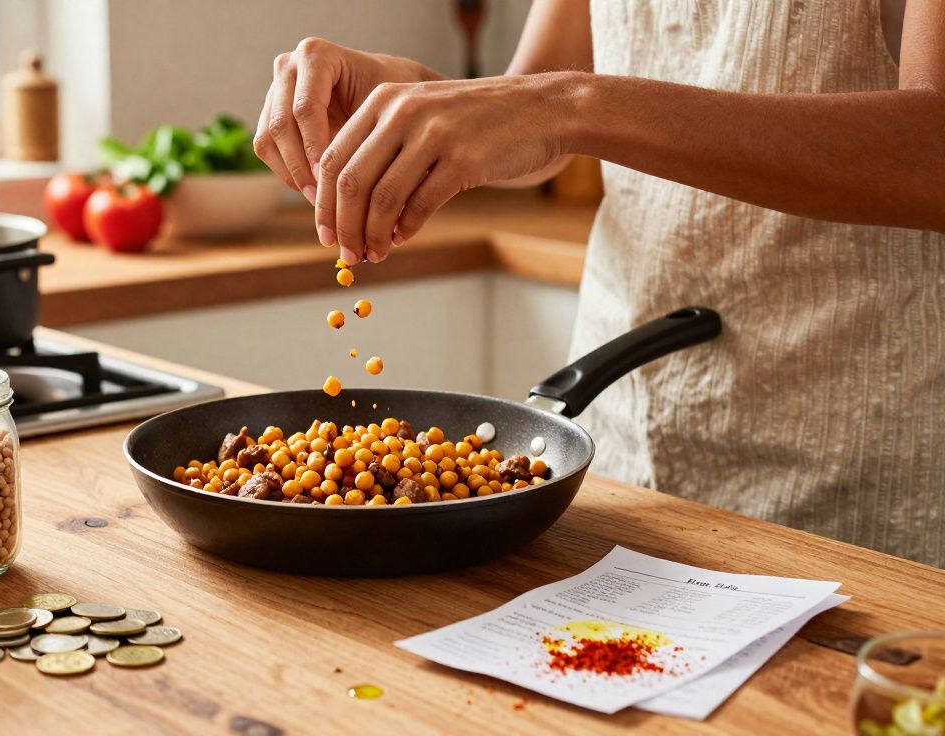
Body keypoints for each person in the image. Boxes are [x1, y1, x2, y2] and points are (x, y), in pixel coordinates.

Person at [253, 0, 945, 567]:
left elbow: (932, 152)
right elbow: (541, 114)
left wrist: (567, 105)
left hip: (852, 452)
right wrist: (421, 97)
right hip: (620, 431)